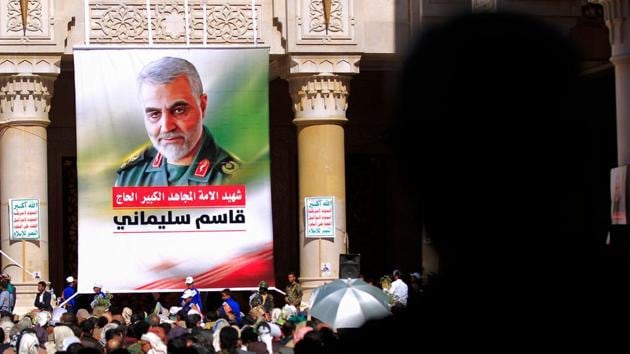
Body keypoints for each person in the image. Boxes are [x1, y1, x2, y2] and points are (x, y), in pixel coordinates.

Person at [115, 56, 240, 186]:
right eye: (154, 114)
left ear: (202, 106)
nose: (166, 127)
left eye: (179, 110)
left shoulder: (235, 181)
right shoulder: (130, 177)